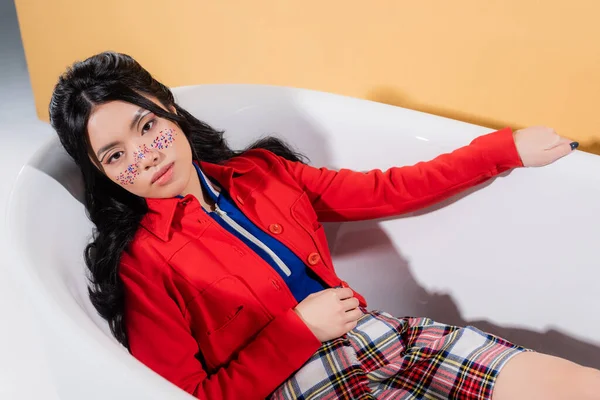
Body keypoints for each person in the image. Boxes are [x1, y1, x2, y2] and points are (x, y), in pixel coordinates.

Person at [49, 51, 599, 400]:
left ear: (167, 107)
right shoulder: (143, 264)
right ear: (100, 172)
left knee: (574, 387)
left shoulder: (261, 172)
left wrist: (502, 150)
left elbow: (388, 188)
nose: (145, 157)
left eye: (147, 126)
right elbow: (184, 394)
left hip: (378, 335)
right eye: (115, 156)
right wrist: (297, 331)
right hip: (300, 386)